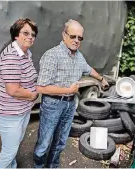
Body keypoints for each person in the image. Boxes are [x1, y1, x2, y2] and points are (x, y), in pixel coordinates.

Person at [34, 19, 109, 168]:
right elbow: (41, 88)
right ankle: (39, 166)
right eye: (73, 36)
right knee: (44, 143)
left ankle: (53, 166)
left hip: (69, 104)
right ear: (64, 35)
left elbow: (88, 68)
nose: (76, 40)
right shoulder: (52, 55)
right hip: (52, 105)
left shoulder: (79, 56)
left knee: (61, 141)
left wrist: (101, 79)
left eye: (80, 38)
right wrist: (69, 90)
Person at [0, 18, 39, 168]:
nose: (30, 37)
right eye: (25, 33)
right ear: (16, 35)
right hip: (10, 113)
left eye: (33, 34)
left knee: (13, 147)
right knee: (9, 151)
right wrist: (33, 95)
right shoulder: (12, 56)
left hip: (22, 110)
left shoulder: (26, 53)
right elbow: (13, 90)